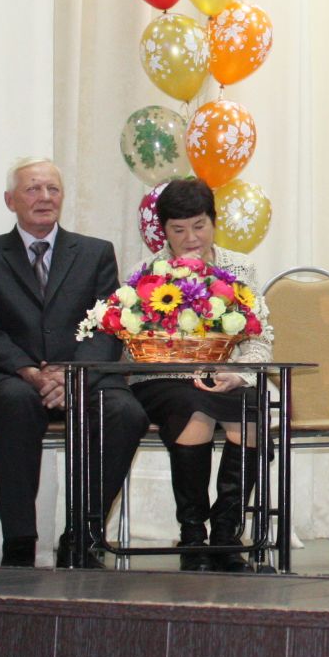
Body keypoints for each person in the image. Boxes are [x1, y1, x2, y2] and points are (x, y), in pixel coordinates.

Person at [0, 158, 148, 567]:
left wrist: (72, 375)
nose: (44, 198)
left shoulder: (96, 252)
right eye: (32, 189)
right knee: (17, 403)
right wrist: (30, 371)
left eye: (53, 189)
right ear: (10, 200)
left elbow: (106, 325)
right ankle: (19, 542)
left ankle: (83, 536)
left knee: (125, 412)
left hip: (83, 371)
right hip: (11, 375)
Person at [127, 179, 274, 572]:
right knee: (196, 409)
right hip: (164, 381)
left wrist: (236, 374)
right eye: (178, 230)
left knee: (251, 411)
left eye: (199, 225)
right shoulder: (145, 272)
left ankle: (226, 535)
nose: (190, 238)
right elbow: (130, 347)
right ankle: (193, 534)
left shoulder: (239, 268)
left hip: (224, 377)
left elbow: (260, 341)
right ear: (164, 231)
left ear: (213, 222)